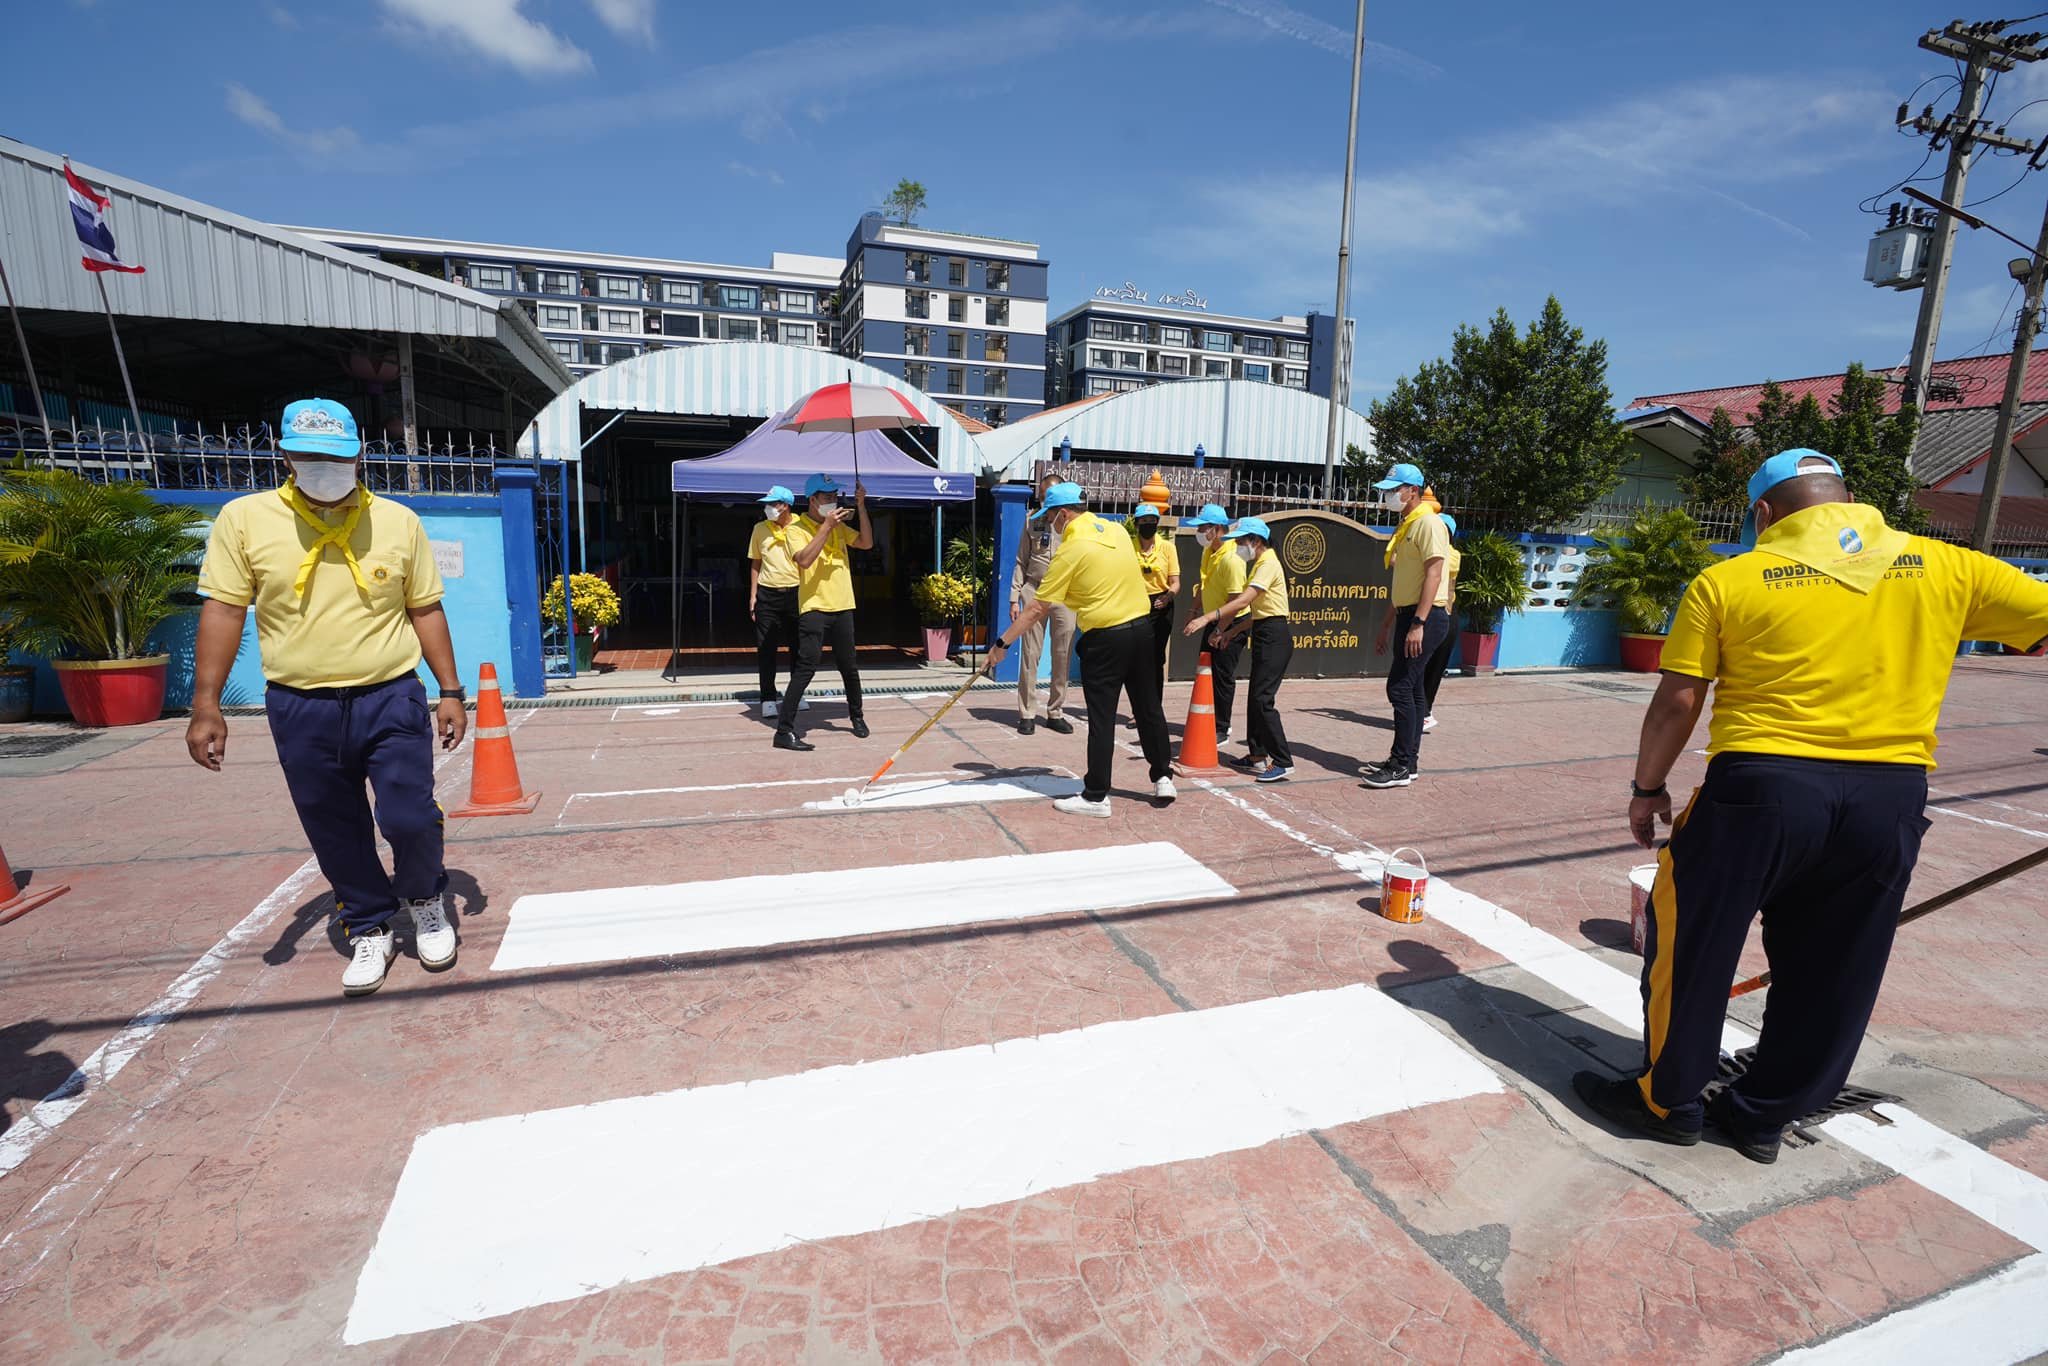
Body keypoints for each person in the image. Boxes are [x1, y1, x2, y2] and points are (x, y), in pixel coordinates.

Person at [1576, 448, 2048, 1164]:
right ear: (1848, 500)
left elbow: (1678, 700)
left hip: (1761, 791)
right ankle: (1763, 1115)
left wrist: (1647, 789)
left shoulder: (1730, 579)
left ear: (1764, 513)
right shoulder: (1950, 566)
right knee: (1837, 964)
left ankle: (1668, 1101)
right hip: (1888, 798)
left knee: (1695, 942)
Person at [185, 398, 468, 998]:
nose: (324, 468)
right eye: (310, 456)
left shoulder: (397, 522)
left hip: (390, 696)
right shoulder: (245, 520)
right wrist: (206, 704)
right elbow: (225, 610)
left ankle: (424, 899)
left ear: (359, 456)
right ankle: (369, 924)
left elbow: (425, 608)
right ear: (284, 456)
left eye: (337, 458)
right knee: (334, 825)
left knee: (409, 816)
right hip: (301, 706)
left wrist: (450, 690)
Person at [988, 482, 1174, 816]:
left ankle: (1096, 796)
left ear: (1063, 514)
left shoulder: (1070, 549)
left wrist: (1002, 644)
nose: (1051, 524)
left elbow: (1037, 608)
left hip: (1106, 639)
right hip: (1143, 630)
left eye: (1051, 517)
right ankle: (1163, 777)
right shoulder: (1117, 531)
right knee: (1149, 708)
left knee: (1102, 718)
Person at [1361, 463, 1451, 789]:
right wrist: (1389, 624)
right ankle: (1406, 763)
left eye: (1393, 490)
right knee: (1411, 689)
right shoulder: (1408, 524)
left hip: (1425, 616)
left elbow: (1434, 575)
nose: (1387, 496)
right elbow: (1405, 584)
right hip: (1408, 614)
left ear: (1412, 491)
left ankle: (1400, 765)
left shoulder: (1428, 523)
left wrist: (1418, 623)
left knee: (1399, 688)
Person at [1183, 517, 1292, 782]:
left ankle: (1283, 760)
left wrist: (1207, 618)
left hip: (1275, 636)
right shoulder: (1261, 564)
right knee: (1256, 697)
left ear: (1255, 541)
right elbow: (1257, 613)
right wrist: (1230, 632)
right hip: (1264, 631)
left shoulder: (1268, 563)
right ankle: (1257, 755)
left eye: (1242, 541)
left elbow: (1243, 601)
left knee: (1262, 699)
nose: (1239, 546)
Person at [774, 474, 873, 751]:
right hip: (814, 606)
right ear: (812, 500)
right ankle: (783, 730)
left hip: (843, 604)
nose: (833, 500)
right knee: (806, 667)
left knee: (849, 666)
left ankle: (857, 717)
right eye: (827, 496)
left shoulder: (839, 526)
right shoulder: (795, 528)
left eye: (834, 496)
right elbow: (804, 561)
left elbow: (866, 543)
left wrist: (861, 507)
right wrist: (827, 527)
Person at [1010, 468, 1077, 736]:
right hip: (1034, 591)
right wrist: (1014, 598)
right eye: (1040, 496)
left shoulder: (1072, 523)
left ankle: (1055, 711)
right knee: (1030, 655)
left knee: (1062, 654)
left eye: (1047, 496)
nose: (1043, 501)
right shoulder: (1032, 520)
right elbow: (1020, 560)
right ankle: (1027, 713)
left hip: (1064, 595)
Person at [1185, 504, 1247, 747]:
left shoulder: (1232, 559)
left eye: (1203, 527)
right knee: (1206, 670)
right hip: (1213, 620)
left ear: (1218, 528)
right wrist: (1193, 610)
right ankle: (1207, 719)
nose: (1199, 532)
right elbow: (1203, 584)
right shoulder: (1209, 551)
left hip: (1232, 622)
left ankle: (1222, 727)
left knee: (1222, 675)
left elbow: (1236, 600)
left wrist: (1221, 630)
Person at [747, 484, 802, 720]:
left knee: (798, 648)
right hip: (768, 595)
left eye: (772, 504)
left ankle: (796, 695)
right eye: (766, 504)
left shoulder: (802, 526)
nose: (768, 508)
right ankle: (768, 698)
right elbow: (755, 562)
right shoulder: (760, 528)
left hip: (797, 593)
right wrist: (753, 595)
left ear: (785, 505)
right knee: (766, 648)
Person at [1132, 503, 1180, 702]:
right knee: (1137, 657)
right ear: (1137, 524)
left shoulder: (1168, 548)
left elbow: (1176, 582)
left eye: (1152, 521)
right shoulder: (1129, 546)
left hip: (1161, 604)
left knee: (1155, 657)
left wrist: (1168, 597)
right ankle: (1139, 705)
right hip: (1136, 604)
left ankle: (1154, 705)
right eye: (1144, 521)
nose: (1148, 524)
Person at [1421, 512, 1462, 733]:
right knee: (1419, 667)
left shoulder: (1451, 554)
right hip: (1428, 613)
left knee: (1433, 668)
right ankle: (1420, 712)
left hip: (1443, 614)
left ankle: (1424, 712)